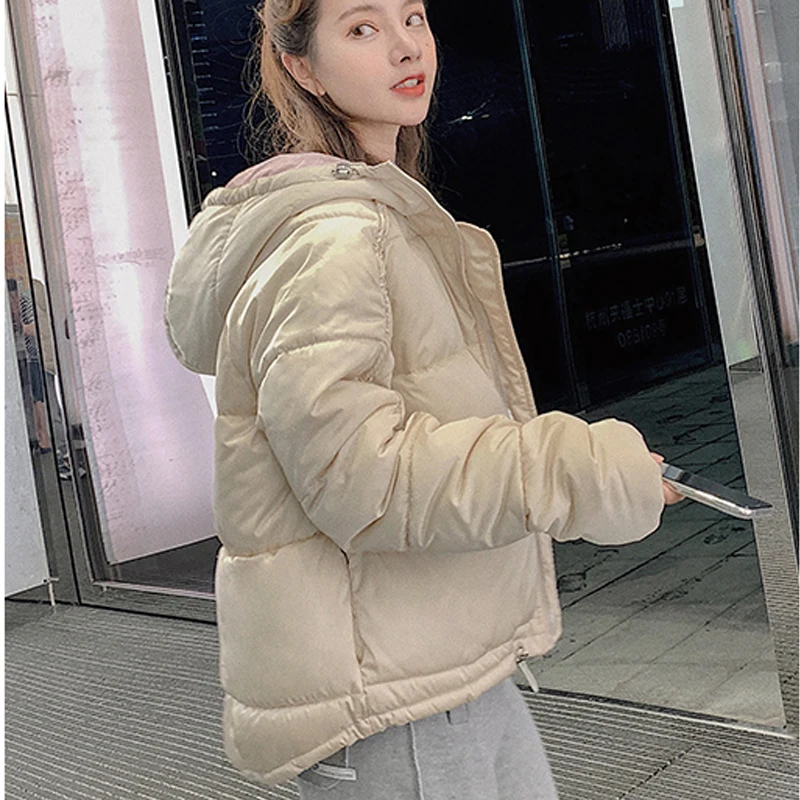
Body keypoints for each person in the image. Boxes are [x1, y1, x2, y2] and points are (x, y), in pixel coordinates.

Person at [164, 0, 683, 797]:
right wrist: (575, 470)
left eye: (413, 17)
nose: (407, 46)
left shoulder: (380, 215)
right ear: (303, 68)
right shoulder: (334, 239)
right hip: (393, 707)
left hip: (440, 667)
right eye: (362, 28)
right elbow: (360, 479)